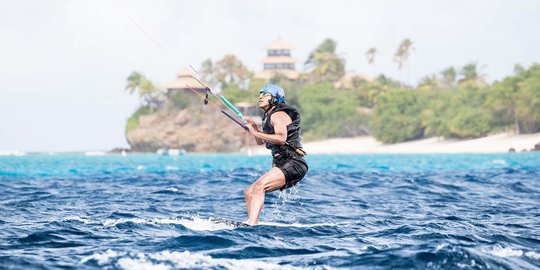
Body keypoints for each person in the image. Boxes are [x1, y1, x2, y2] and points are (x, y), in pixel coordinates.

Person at [242, 84, 308, 225]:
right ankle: (252, 223)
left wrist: (255, 132)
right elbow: (260, 141)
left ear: (275, 98)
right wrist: (254, 128)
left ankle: (252, 224)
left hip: (294, 163)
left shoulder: (278, 115)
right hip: (282, 163)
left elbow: (281, 138)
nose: (260, 97)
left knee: (259, 187)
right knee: (249, 192)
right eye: (260, 94)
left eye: (265, 94)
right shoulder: (268, 117)